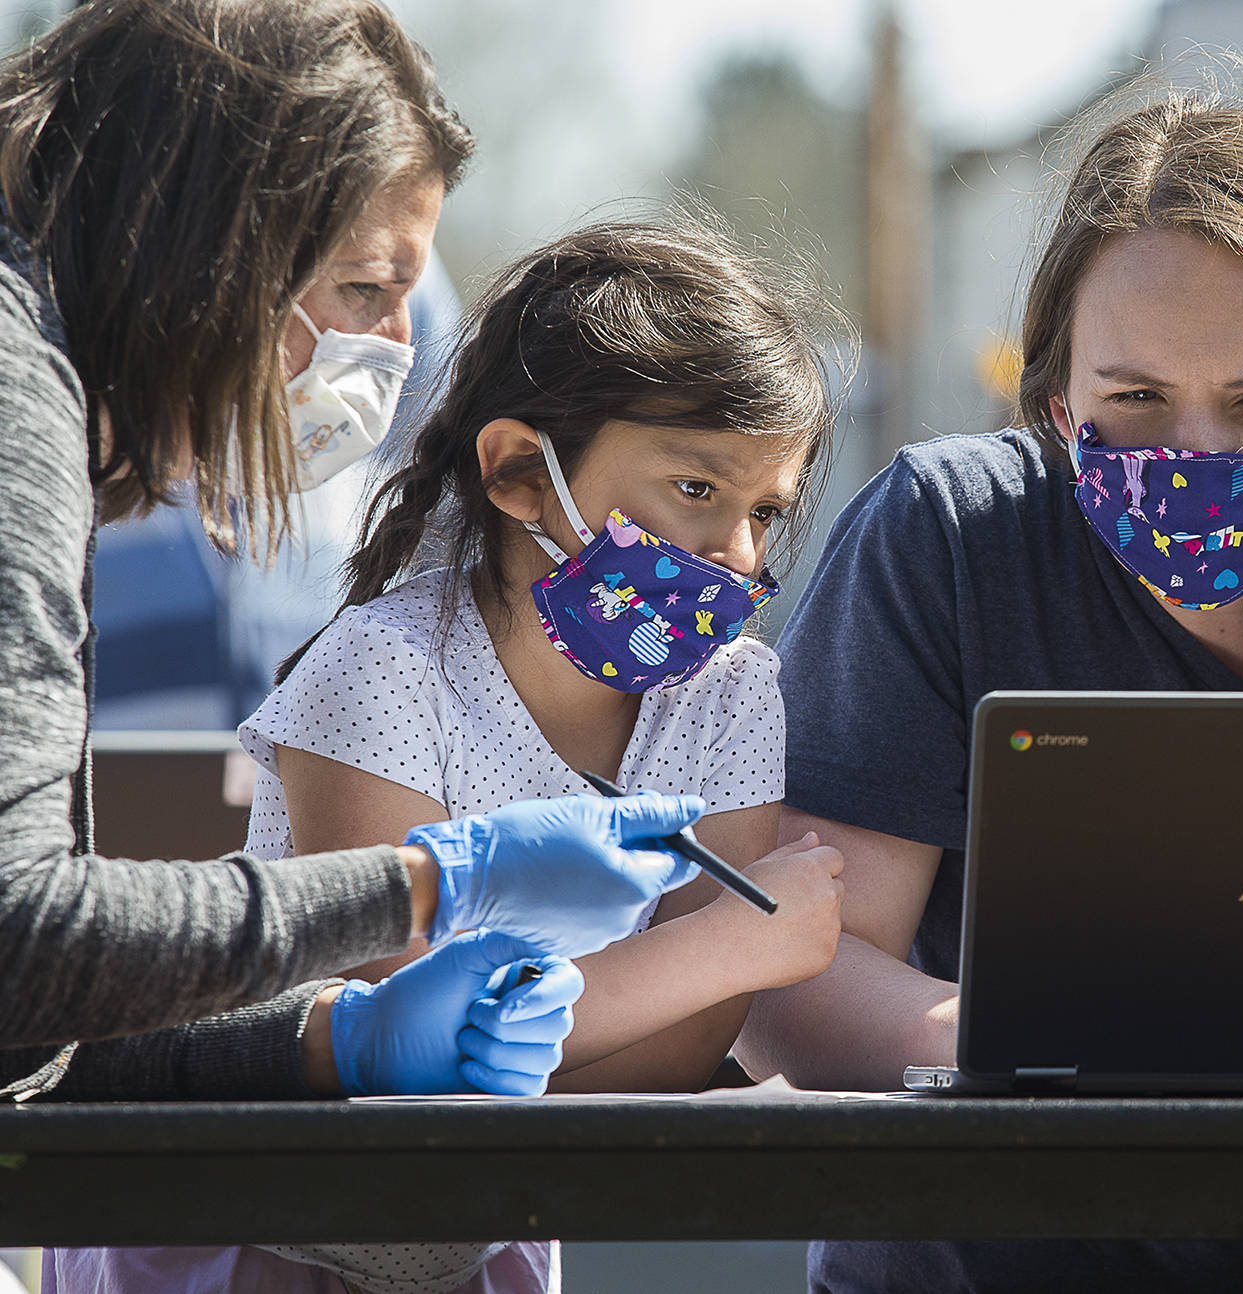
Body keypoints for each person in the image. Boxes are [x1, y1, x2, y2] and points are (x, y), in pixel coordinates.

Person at [738, 89, 1243, 1294]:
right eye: (1133, 399)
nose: (1189, 451)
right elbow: (794, 977)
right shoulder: (947, 536)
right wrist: (1087, 1060)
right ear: (1056, 393)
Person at [53, 217, 851, 1294]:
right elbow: (413, 1054)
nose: (739, 556)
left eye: (765, 508)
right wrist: (744, 947)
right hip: (259, 1240)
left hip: (481, 1247)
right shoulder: (376, 670)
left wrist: (595, 1017)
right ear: (520, 471)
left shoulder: (734, 696)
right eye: (698, 491)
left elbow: (667, 1063)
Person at [0, 0, 702, 1104]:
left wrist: (331, 1040)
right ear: (211, 238)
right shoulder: (4, 389)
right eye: (363, 287)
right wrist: (429, 883)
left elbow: (15, 1025)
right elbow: (15, 945)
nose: (392, 350)